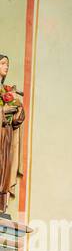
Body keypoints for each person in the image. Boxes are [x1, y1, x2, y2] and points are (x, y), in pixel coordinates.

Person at [0, 54, 25, 211]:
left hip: (7, 136)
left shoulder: (7, 92)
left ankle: (2, 204)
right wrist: (3, 111)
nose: (6, 67)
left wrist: (18, 110)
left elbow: (17, 120)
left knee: (5, 169)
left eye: (7, 64)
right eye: (3, 63)